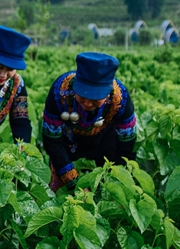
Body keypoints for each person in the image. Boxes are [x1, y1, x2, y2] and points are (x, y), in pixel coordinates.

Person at [40, 52, 137, 190]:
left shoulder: (121, 100)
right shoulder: (60, 91)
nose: (87, 103)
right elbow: (52, 141)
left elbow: (126, 147)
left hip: (105, 152)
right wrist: (73, 180)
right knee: (61, 197)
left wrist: (111, 179)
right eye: (83, 95)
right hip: (66, 151)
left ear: (108, 92)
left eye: (95, 98)